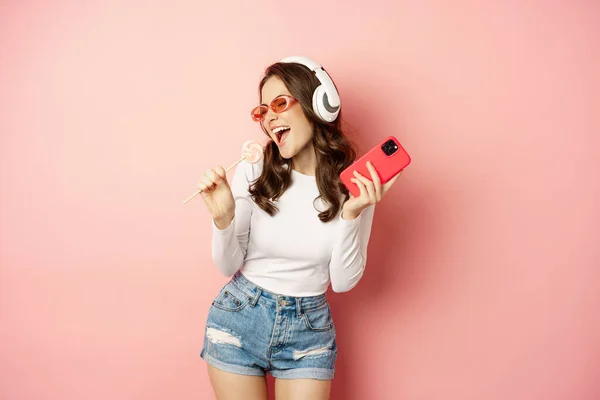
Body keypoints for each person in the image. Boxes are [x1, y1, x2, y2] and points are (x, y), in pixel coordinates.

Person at [196, 56, 401, 400]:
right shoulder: (255, 168)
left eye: (279, 103)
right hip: (239, 317)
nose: (269, 117)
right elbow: (227, 266)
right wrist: (223, 220)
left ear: (318, 105)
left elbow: (344, 281)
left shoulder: (354, 184)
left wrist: (352, 214)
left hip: (309, 329)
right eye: (262, 111)